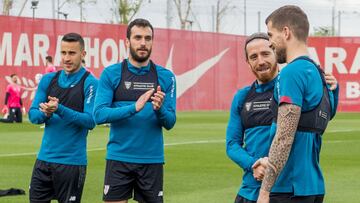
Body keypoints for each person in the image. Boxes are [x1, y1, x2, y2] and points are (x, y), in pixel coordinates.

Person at [226, 32, 338, 203]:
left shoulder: (292, 85)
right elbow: (232, 144)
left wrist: (333, 90)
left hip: (285, 192)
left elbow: (322, 118)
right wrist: (253, 164)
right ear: (248, 63)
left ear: (275, 53)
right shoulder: (242, 97)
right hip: (249, 191)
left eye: (265, 53)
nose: (261, 61)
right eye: (254, 57)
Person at [257, 5, 338, 203]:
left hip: (288, 188)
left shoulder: (292, 73)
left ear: (286, 32)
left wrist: (264, 191)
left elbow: (284, 136)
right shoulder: (320, 75)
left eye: (270, 35)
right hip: (314, 187)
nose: (269, 43)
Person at [93, 18, 176, 203]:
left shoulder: (166, 76)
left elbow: (170, 122)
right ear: (127, 42)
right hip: (119, 159)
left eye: (148, 38)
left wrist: (160, 109)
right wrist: (133, 108)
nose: (143, 43)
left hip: (152, 160)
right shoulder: (111, 73)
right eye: (138, 37)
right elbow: (98, 114)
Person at [28, 32, 98, 203]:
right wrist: (45, 113)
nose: (66, 58)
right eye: (63, 53)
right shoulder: (48, 79)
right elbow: (33, 115)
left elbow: (90, 121)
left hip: (72, 163)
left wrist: (59, 109)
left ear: (83, 54)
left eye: (72, 53)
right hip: (44, 160)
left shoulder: (90, 82)